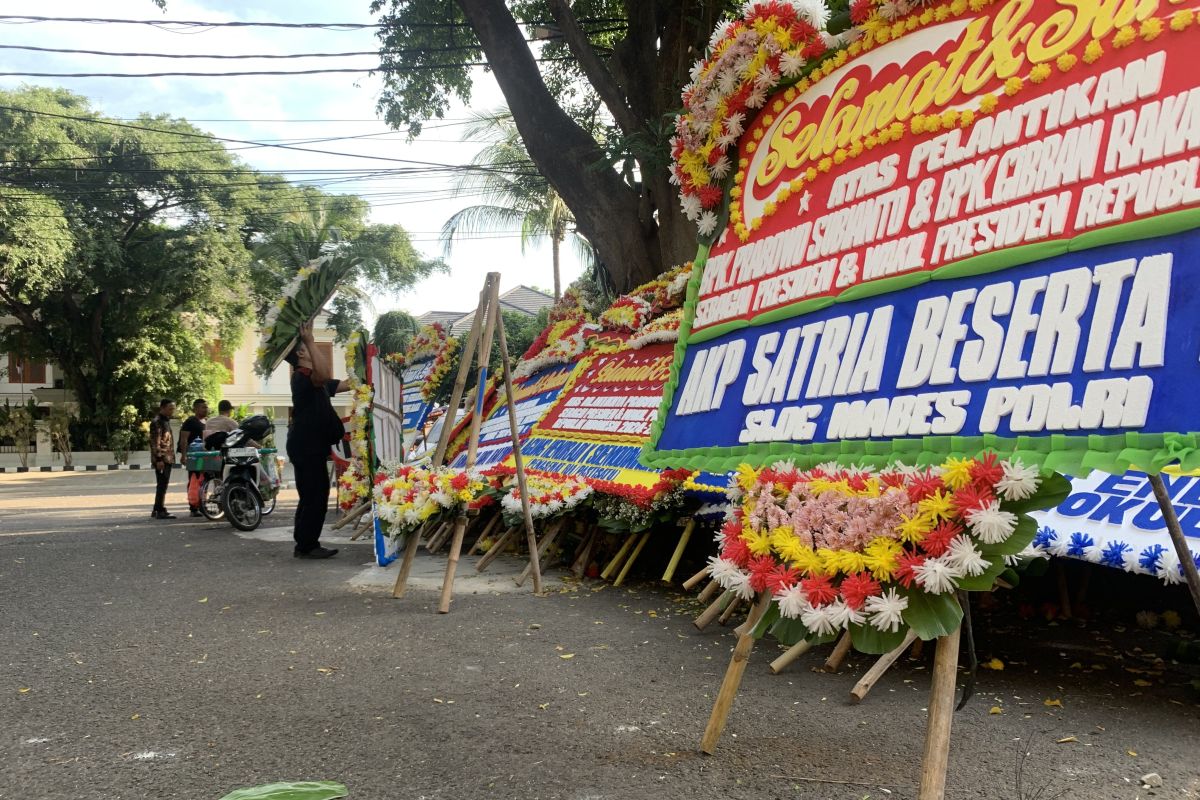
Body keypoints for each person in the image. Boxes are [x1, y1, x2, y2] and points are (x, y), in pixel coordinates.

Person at [285, 322, 350, 559]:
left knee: (311, 494)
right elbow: (324, 375)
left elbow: (343, 384)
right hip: (307, 447)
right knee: (316, 495)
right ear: (302, 353)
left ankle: (304, 542)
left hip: (308, 446)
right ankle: (306, 545)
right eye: (309, 347)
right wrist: (310, 340)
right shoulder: (304, 377)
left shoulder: (315, 381)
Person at [178, 399, 208, 517]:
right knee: (195, 479)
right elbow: (184, 439)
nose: (206, 409)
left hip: (205, 456)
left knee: (204, 479)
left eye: (206, 407)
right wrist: (184, 455)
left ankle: (202, 504)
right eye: (203, 407)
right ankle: (193, 507)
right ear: (195, 409)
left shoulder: (206, 422)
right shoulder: (190, 421)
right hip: (195, 457)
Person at [149, 398, 177, 520]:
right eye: (170, 408)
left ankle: (157, 508)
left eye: (173, 409)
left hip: (167, 457)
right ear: (163, 408)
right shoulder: (157, 422)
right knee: (162, 484)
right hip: (162, 458)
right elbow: (155, 442)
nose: (172, 411)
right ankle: (160, 510)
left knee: (162, 484)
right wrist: (159, 459)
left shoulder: (165, 421)